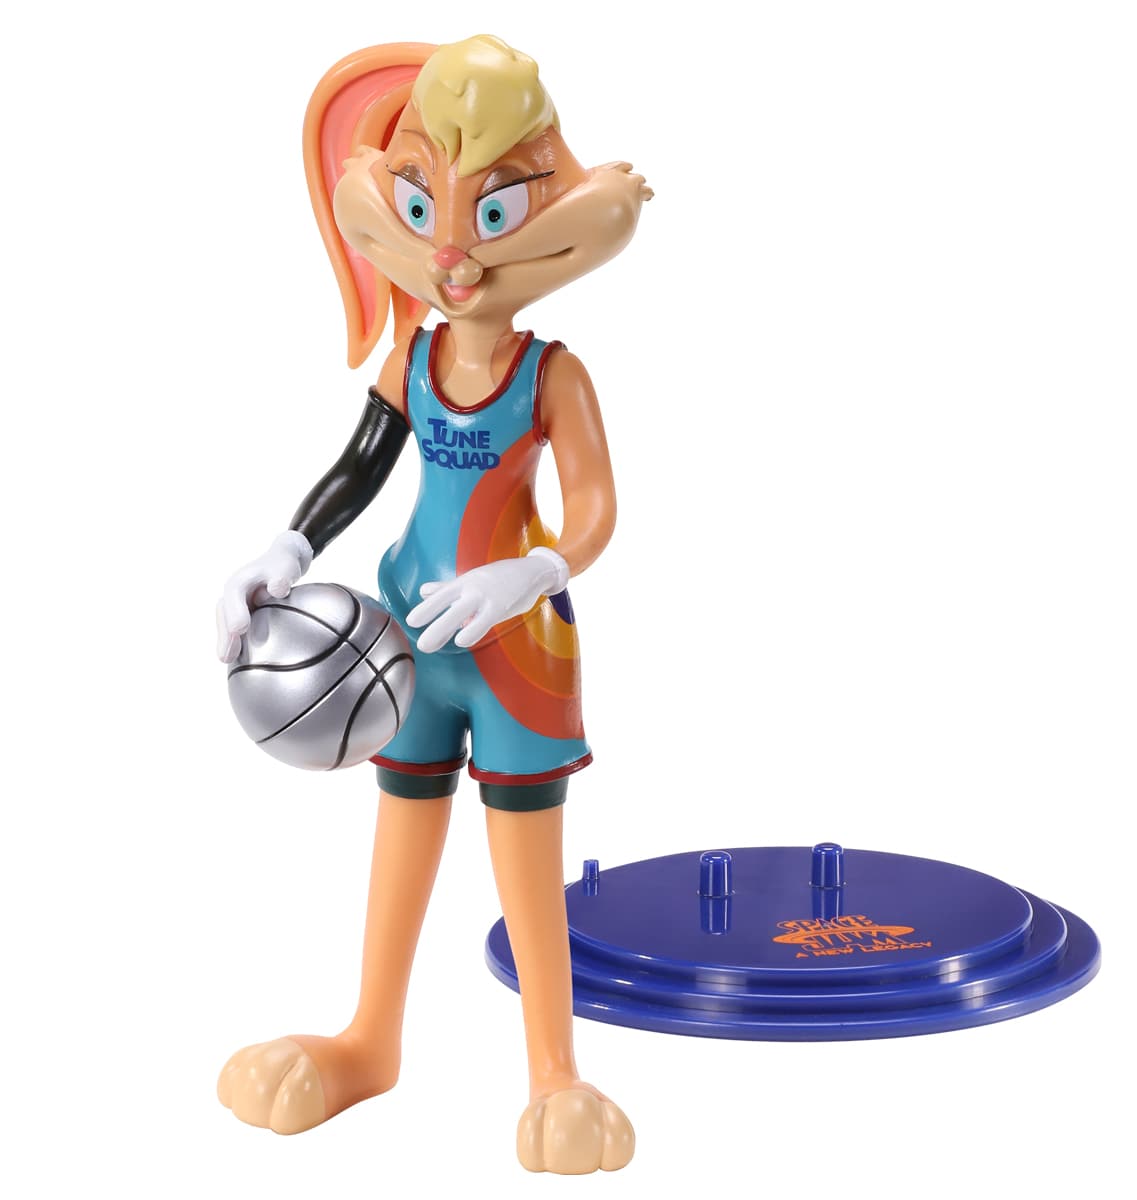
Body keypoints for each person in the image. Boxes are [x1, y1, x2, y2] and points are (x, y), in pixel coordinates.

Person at [213, 35, 651, 1174]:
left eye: (492, 215)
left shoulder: (551, 374)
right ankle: (370, 1040)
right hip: (405, 634)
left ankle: (553, 1070)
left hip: (516, 649)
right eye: (424, 209)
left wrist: (534, 572)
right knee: (403, 827)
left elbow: (596, 509)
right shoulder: (410, 356)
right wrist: (287, 543)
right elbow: (360, 464)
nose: (453, 254)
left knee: (525, 853)